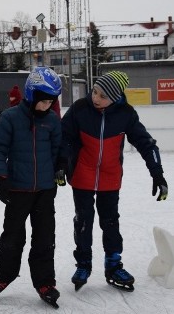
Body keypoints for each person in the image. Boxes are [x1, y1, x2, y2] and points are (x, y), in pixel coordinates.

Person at [59, 71, 167, 292]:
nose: (96, 98)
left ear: (116, 97)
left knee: (110, 222)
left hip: (110, 176)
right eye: (95, 91)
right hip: (82, 174)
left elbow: (146, 143)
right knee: (83, 220)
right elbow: (63, 138)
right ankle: (83, 264)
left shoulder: (126, 114)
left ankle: (113, 264)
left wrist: (157, 173)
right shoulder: (80, 108)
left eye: (103, 96)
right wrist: (60, 164)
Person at [0, 67, 63, 308]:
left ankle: (45, 282)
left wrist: (60, 169)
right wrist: (1, 178)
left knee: (44, 238)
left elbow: (58, 150)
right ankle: (4, 276)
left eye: (51, 102)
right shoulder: (10, 118)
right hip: (17, 190)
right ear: (31, 96)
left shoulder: (52, 120)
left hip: (44, 190)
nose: (47, 106)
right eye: (43, 101)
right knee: (12, 236)